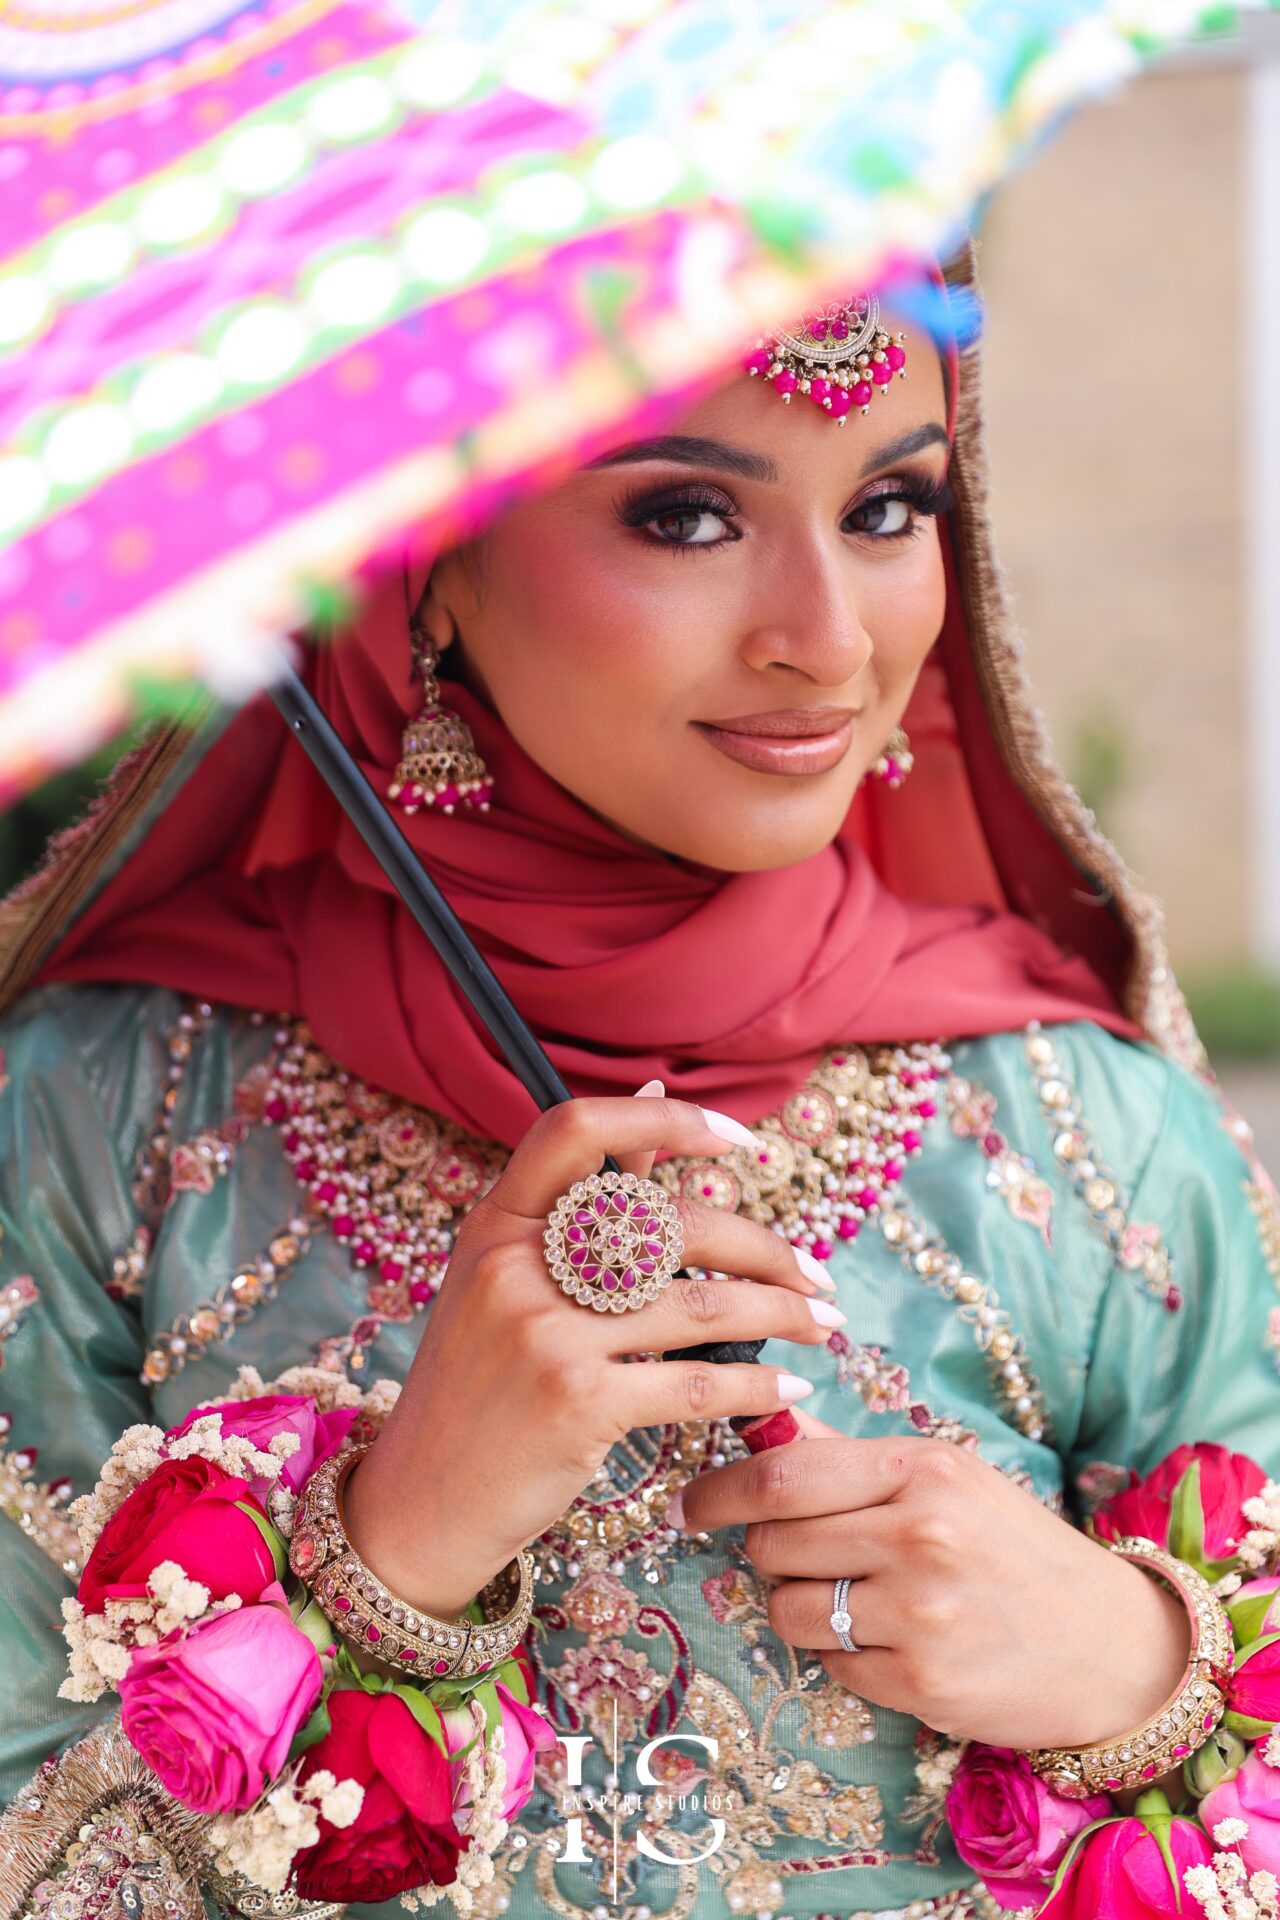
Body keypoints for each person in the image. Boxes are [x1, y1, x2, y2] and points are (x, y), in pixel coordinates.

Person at [0, 249, 1276, 1920]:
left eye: (891, 508)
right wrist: (395, 1547)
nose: (825, 641)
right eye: (686, 514)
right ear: (427, 559)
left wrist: (1135, 1672)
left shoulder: (1083, 1134)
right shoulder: (105, 1116)